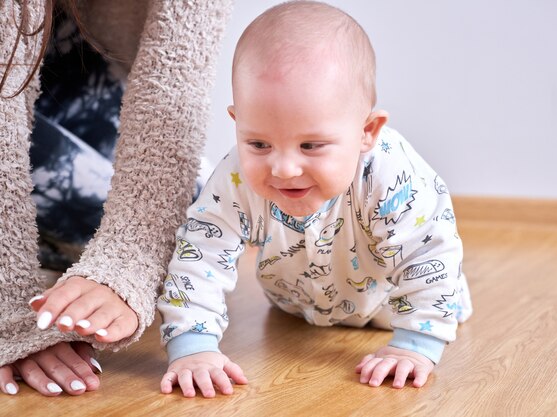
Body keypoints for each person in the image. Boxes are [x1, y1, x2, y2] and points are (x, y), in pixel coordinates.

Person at [158, 0, 473, 398]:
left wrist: (416, 346)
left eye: (311, 145)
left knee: (427, 261)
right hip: (298, 306)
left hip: (396, 305)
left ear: (367, 131)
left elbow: (428, 255)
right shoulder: (237, 175)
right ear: (238, 124)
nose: (283, 168)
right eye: (258, 142)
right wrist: (193, 345)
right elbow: (199, 252)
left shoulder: (393, 175)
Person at [0, 0, 232, 396]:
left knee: (196, 216)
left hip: (74, 65)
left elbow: (176, 75)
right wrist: (8, 304)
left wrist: (129, 261)